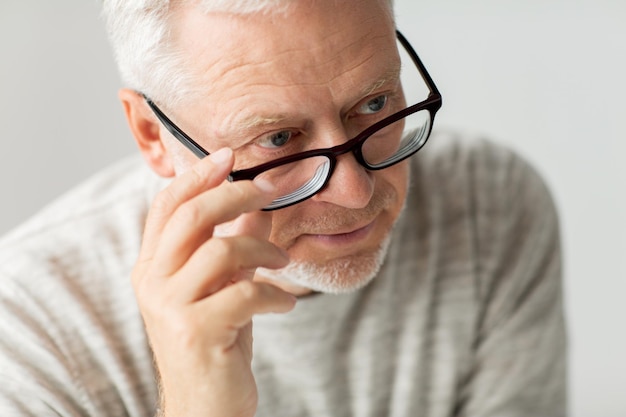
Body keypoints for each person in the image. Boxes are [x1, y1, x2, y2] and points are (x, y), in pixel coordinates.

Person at [0, 0, 567, 416]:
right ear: (153, 135)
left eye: (373, 103)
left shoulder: (489, 210)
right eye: (278, 140)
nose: (355, 193)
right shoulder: (30, 325)